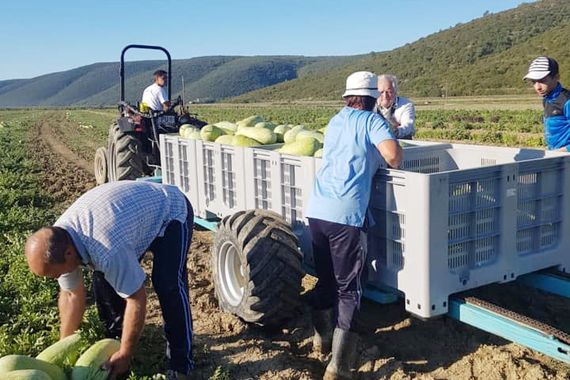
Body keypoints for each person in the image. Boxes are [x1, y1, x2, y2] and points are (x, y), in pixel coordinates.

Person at [24, 181, 194, 380]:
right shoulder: (60, 240)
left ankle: (181, 364)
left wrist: (126, 353)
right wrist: (63, 348)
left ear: (69, 254)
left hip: (169, 212)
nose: (54, 278)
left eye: (53, 274)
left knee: (168, 284)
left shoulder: (106, 251)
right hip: (127, 223)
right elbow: (71, 294)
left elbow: (136, 298)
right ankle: (116, 341)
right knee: (104, 282)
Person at [306, 71, 402, 380]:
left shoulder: (336, 120)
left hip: (318, 211)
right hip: (346, 216)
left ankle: (320, 339)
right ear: (373, 97)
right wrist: (385, 135)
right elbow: (395, 157)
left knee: (325, 280)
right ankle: (340, 366)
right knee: (350, 291)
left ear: (347, 97)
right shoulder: (372, 121)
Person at [524, 56, 570, 151]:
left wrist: (563, 151)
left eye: (542, 81)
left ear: (556, 77)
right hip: (555, 155)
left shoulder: (567, 101)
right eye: (534, 82)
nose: (537, 87)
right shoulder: (546, 99)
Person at [375, 74, 416, 139]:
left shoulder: (406, 104)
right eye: (381, 92)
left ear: (395, 91)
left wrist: (396, 131)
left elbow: (408, 126)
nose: (385, 96)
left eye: (389, 92)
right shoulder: (371, 104)